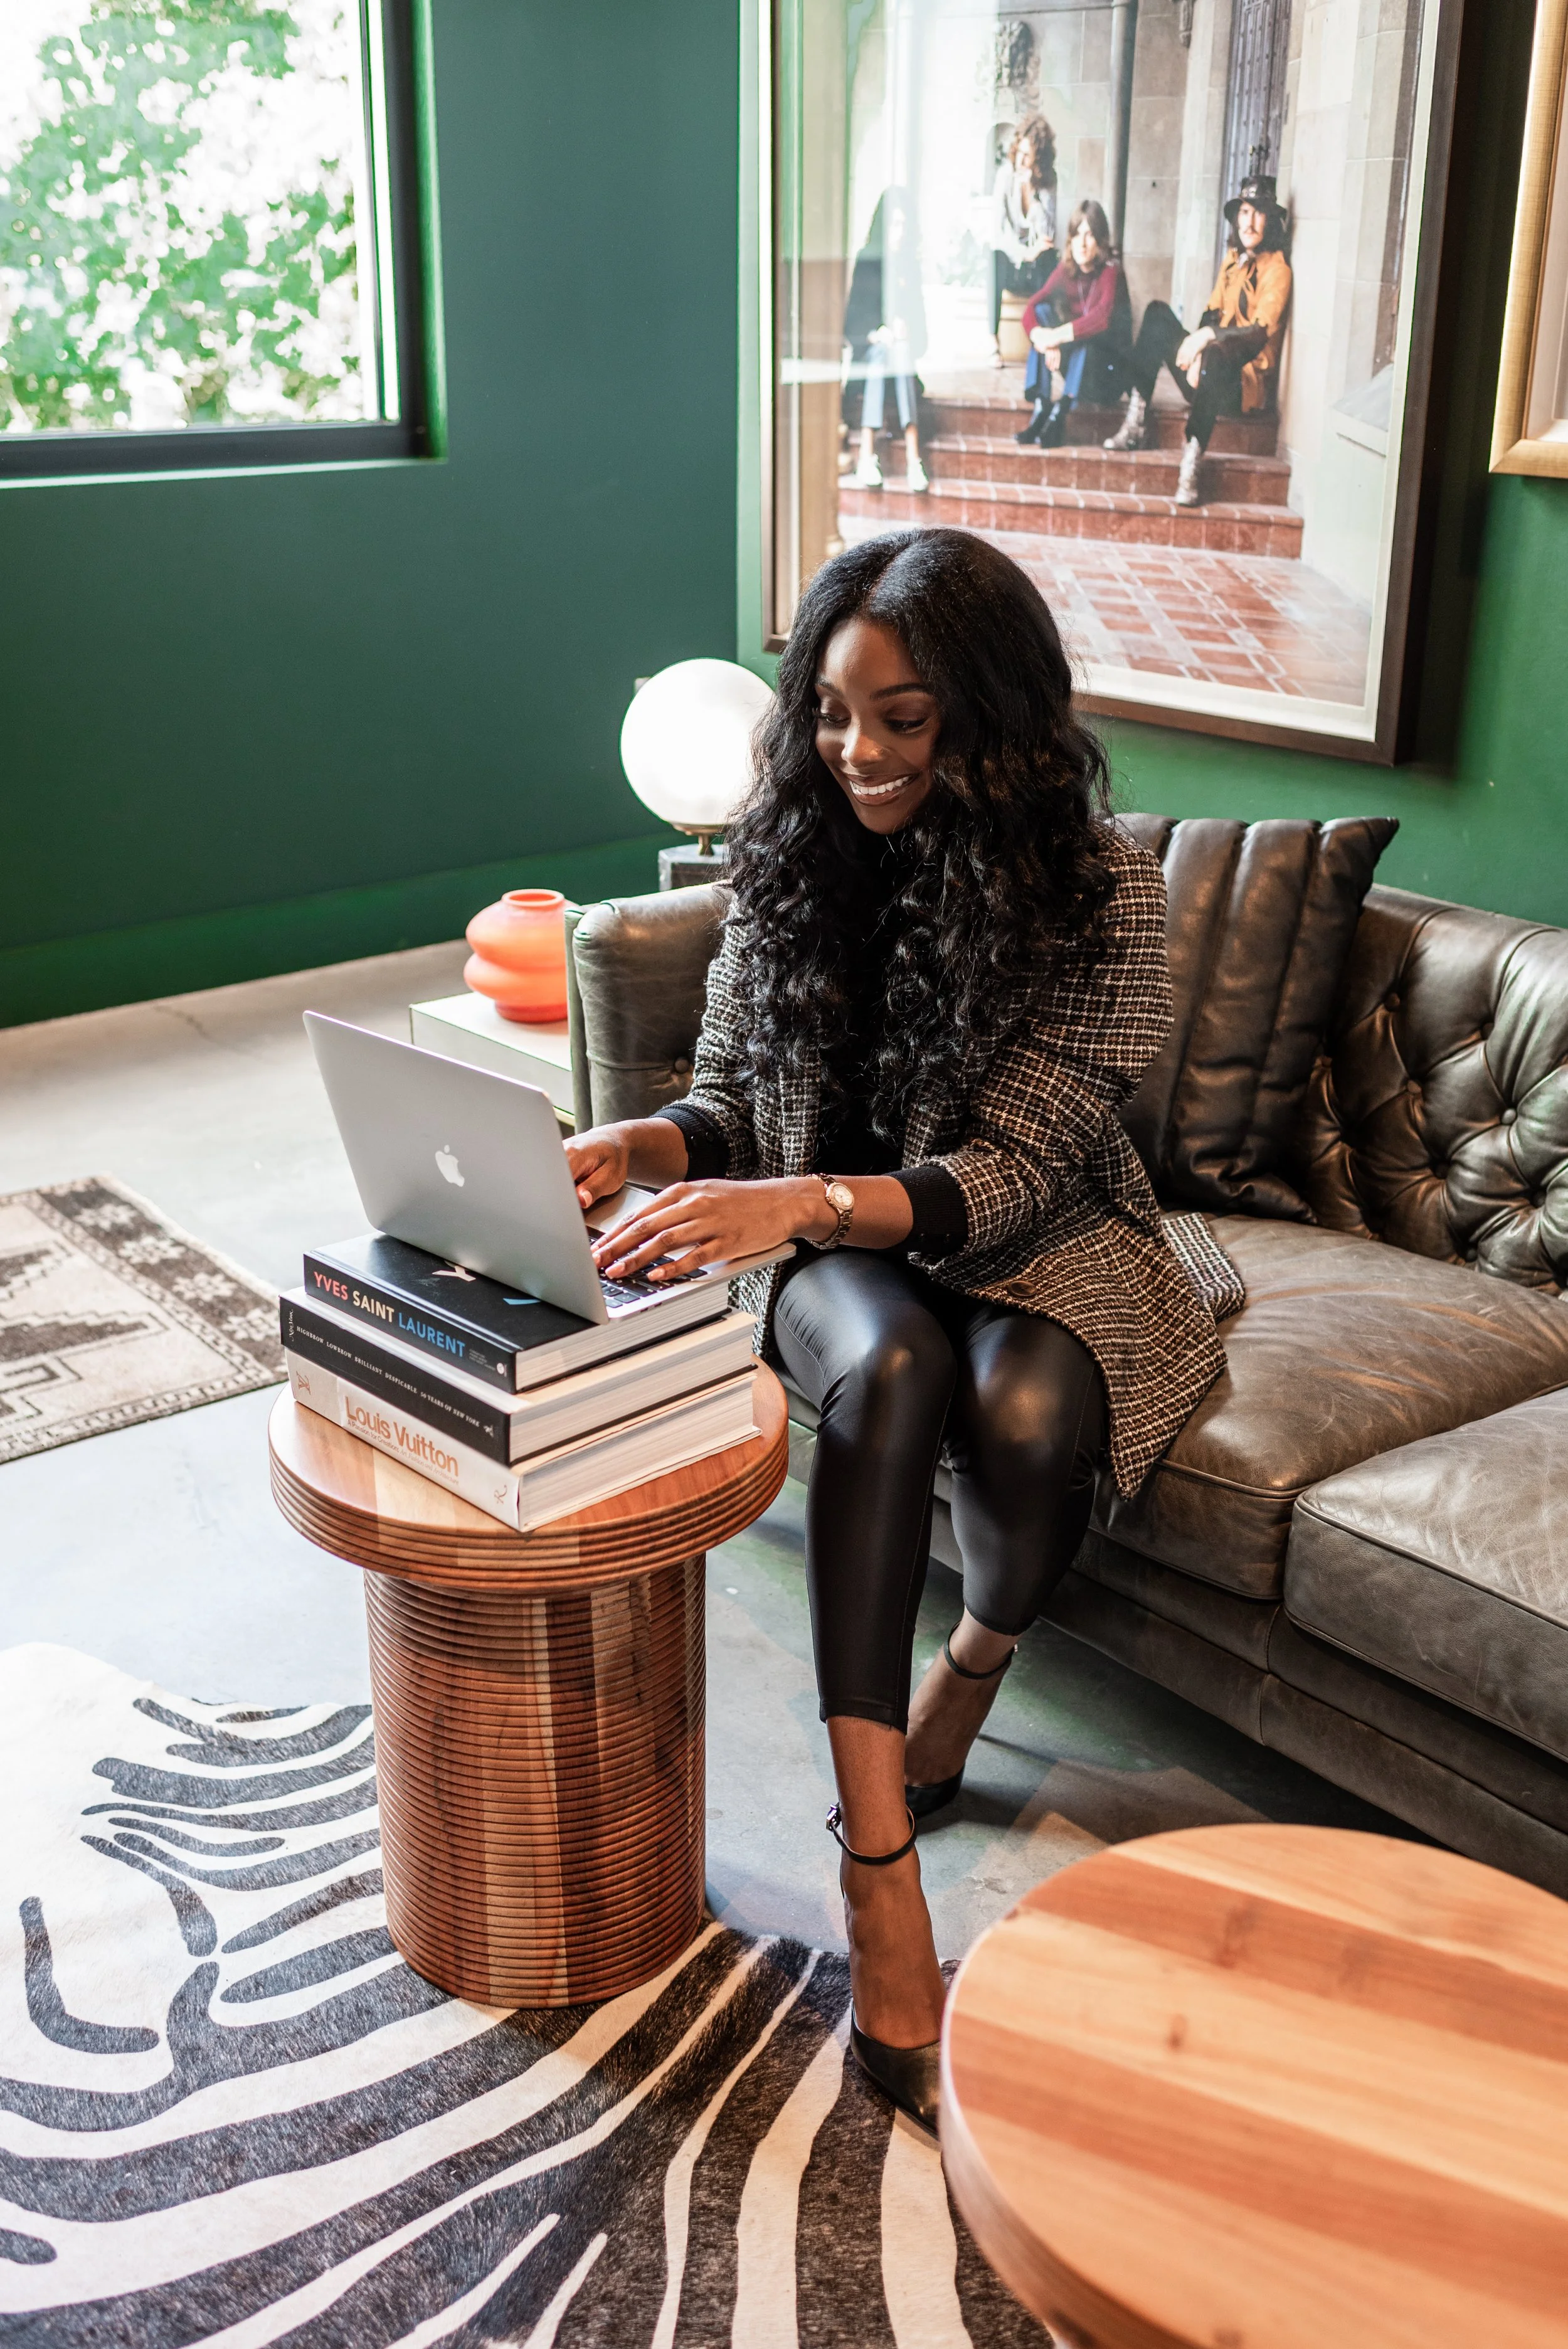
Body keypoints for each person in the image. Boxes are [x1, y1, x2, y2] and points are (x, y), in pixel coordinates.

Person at [562, 529, 1226, 2134]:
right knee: (901, 1361)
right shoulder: (794, 847)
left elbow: (1012, 1172)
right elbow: (733, 1099)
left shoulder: (1101, 889)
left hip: (1036, 1230)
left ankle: (978, 1664)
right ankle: (880, 1873)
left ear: (992, 719)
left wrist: (797, 1205)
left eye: (905, 719)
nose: (860, 752)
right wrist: (646, 1149)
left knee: (1029, 1422)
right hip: (838, 1249)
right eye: (836, 713)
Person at [1104, 172, 1293, 506]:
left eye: (1259, 213)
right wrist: (1196, 353)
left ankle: (1191, 463)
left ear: (1272, 221)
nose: (1249, 222)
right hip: (1207, 373)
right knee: (1157, 313)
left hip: (1240, 387)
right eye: (1244, 212)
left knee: (1218, 353)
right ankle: (1137, 421)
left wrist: (1207, 343)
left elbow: (1258, 333)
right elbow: (1211, 314)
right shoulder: (1233, 261)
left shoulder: (1278, 270)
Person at [1014, 198, 1131, 447]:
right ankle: (1043, 407)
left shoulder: (1112, 271)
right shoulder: (1067, 270)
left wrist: (1055, 337)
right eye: (1077, 235)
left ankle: (1060, 415)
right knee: (1043, 312)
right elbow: (1032, 306)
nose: (1082, 244)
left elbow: (1101, 319)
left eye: (1089, 235)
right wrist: (1041, 339)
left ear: (1100, 239)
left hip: (1107, 375)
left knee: (1089, 336)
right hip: (1078, 369)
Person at [842, 189, 929, 493]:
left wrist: (907, 330)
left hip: (902, 365)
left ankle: (914, 460)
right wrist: (875, 332)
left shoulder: (909, 266)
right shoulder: (868, 260)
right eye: (894, 224)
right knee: (881, 353)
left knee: (901, 349)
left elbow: (922, 338)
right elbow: (850, 323)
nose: (899, 232)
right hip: (872, 358)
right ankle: (869, 456)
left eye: (904, 225)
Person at [989, 115, 1058, 359]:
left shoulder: (1048, 181)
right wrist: (1024, 253)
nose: (1021, 161)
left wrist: (1033, 193)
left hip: (1035, 267)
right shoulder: (1005, 176)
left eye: (1027, 156)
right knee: (993, 258)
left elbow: (1048, 234)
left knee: (1049, 259)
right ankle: (993, 342)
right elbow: (997, 233)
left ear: (1039, 159)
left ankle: (1040, 341)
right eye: (1019, 153)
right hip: (1011, 261)